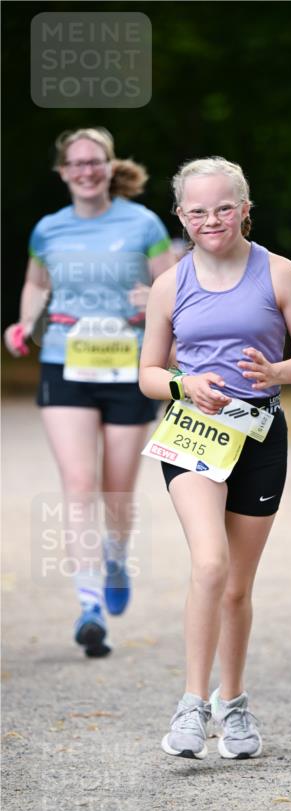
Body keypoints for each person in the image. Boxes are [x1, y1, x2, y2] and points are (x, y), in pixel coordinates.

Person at [139, 157, 291, 760]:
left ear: (245, 208)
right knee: (210, 563)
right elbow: (147, 373)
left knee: (238, 588)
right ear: (181, 217)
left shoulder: (280, 272)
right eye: (197, 210)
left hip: (260, 431)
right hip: (193, 431)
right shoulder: (172, 283)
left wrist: (276, 371)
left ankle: (233, 702)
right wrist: (180, 385)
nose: (211, 219)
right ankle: (191, 707)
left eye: (223, 207)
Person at [3, 127, 173, 656]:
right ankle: (88, 605)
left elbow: (173, 286)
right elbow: (36, 282)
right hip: (65, 363)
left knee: (115, 490)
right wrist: (24, 322)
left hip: (128, 366)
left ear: (108, 165)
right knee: (78, 484)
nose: (85, 170)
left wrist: (154, 297)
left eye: (94, 161)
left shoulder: (143, 223)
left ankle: (116, 557)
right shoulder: (48, 229)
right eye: (75, 163)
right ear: (62, 172)